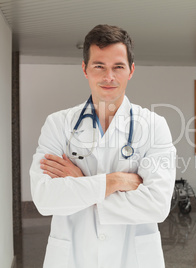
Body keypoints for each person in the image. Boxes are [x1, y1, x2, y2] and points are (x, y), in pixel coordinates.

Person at [30, 24, 176, 267]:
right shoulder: (58, 124)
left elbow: (157, 206)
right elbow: (45, 200)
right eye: (99, 66)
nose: (109, 77)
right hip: (73, 257)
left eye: (118, 67)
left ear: (131, 70)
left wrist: (79, 182)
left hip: (134, 258)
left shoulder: (153, 125)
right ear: (85, 70)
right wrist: (115, 181)